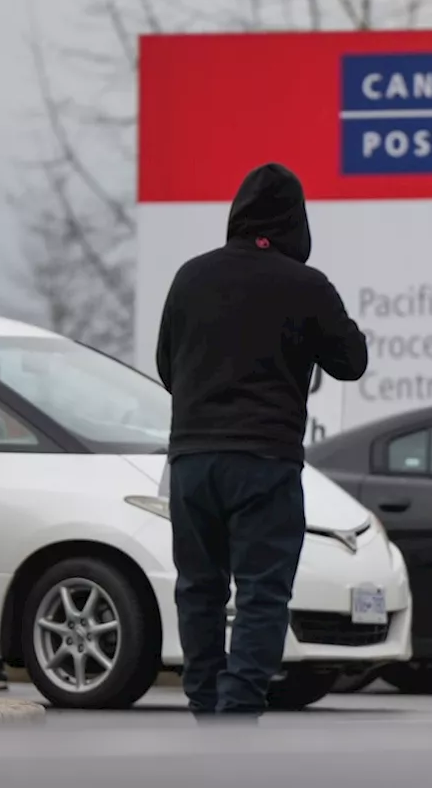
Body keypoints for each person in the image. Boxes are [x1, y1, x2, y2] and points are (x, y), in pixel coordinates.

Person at [155, 162, 368, 719]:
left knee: (198, 587)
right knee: (261, 593)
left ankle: (204, 701)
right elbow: (352, 362)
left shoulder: (190, 277)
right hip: (264, 462)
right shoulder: (306, 285)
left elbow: (165, 366)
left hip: (193, 461)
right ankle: (238, 710)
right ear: (296, 222)